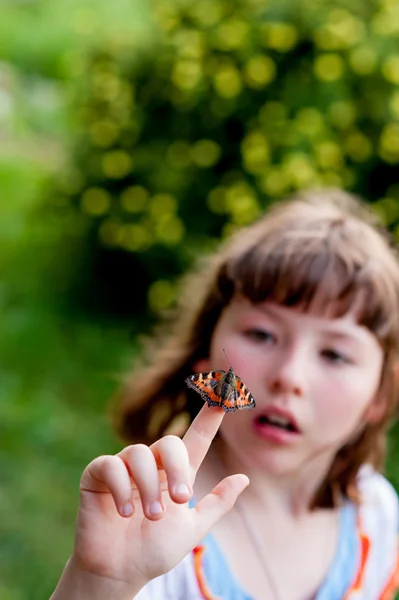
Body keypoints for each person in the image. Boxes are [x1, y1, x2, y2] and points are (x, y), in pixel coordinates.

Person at [51, 188, 399, 600]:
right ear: (204, 359)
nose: (290, 376)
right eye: (262, 334)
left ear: (379, 394)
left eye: (336, 354)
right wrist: (102, 583)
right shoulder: (155, 523)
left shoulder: (375, 514)